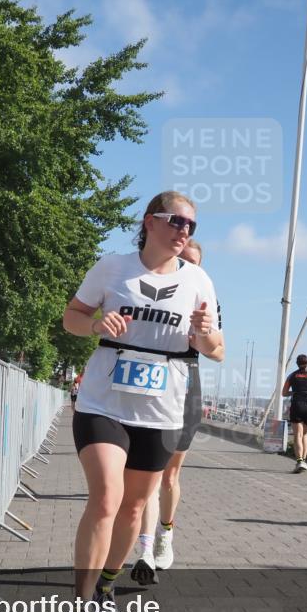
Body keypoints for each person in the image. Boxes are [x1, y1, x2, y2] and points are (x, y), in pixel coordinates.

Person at [59, 191, 224, 612]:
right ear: (150, 222)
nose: (184, 231)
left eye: (191, 225)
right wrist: (95, 326)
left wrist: (203, 334)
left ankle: (108, 586)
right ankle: (79, 608)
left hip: (162, 410)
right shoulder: (112, 267)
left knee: (135, 508)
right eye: (176, 221)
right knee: (107, 498)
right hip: (103, 403)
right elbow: (71, 316)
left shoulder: (199, 281)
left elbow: (217, 350)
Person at [129, 239, 224, 585]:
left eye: (194, 263)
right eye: (182, 259)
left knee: (168, 476)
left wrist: (201, 333)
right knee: (147, 477)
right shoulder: (146, 285)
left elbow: (219, 352)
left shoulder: (205, 297)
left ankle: (165, 534)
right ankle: (143, 551)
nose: (186, 266)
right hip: (143, 383)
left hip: (184, 384)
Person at [281, 355, 307, 472]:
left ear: (297, 363)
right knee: (305, 435)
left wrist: (295, 392)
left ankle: (299, 461)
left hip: (297, 405)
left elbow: (284, 393)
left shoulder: (292, 376)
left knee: (298, 436)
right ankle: (303, 462)